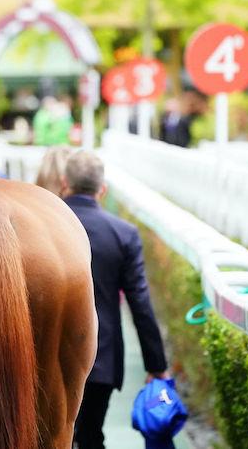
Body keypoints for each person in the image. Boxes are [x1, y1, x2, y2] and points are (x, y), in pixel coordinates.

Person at [61, 151, 169, 449]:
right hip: (100, 355)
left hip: (44, 354)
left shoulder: (40, 226)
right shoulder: (123, 234)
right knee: (91, 435)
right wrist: (156, 365)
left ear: (64, 183)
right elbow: (140, 303)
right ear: (102, 189)